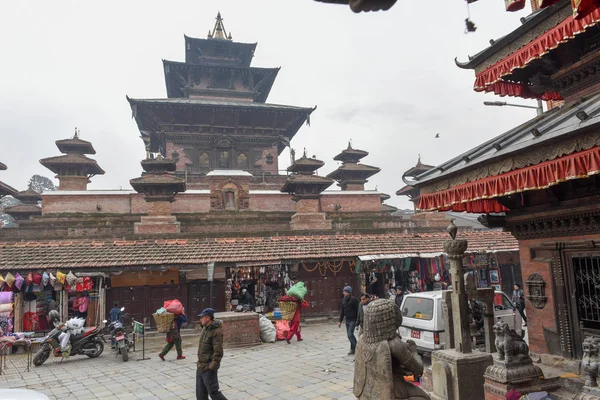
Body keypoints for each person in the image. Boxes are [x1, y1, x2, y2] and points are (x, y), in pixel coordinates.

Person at [353, 299, 430, 399]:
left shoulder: (362, 339)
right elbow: (418, 370)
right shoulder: (395, 344)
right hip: (391, 389)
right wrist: (414, 352)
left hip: (366, 390)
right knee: (424, 397)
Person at [196, 308, 228, 400]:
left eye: (202, 317)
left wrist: (212, 367)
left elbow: (218, 352)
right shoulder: (205, 328)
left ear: (207, 318)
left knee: (214, 392)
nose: (200, 319)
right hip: (200, 365)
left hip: (208, 367)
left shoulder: (216, 331)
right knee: (200, 394)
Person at [338, 286, 359, 355]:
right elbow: (342, 311)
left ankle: (357, 348)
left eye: (345, 292)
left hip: (353, 319)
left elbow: (358, 310)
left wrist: (357, 320)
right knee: (349, 335)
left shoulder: (354, 300)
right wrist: (340, 321)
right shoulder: (344, 300)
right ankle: (353, 349)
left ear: (349, 292)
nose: (344, 293)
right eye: (344, 291)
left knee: (350, 334)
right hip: (347, 319)